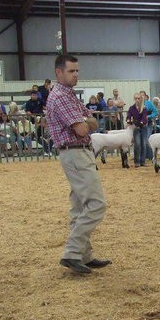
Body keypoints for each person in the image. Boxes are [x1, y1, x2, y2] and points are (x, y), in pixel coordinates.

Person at [46, 54, 109, 275]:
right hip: (75, 153)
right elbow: (83, 127)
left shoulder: (68, 94)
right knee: (96, 204)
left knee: (80, 206)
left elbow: (90, 119)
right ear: (58, 72)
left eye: (77, 71)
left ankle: (83, 255)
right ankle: (72, 252)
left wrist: (87, 122)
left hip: (78, 153)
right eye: (71, 71)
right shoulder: (61, 97)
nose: (76, 75)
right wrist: (87, 122)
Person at [127, 93, 149, 167]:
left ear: (141, 99)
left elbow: (144, 117)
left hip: (143, 127)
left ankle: (142, 161)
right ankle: (137, 161)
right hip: (136, 128)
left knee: (144, 144)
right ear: (134, 99)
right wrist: (128, 120)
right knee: (137, 144)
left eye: (138, 98)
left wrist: (141, 123)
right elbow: (129, 116)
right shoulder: (131, 108)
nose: (137, 100)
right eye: (135, 98)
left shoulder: (144, 108)